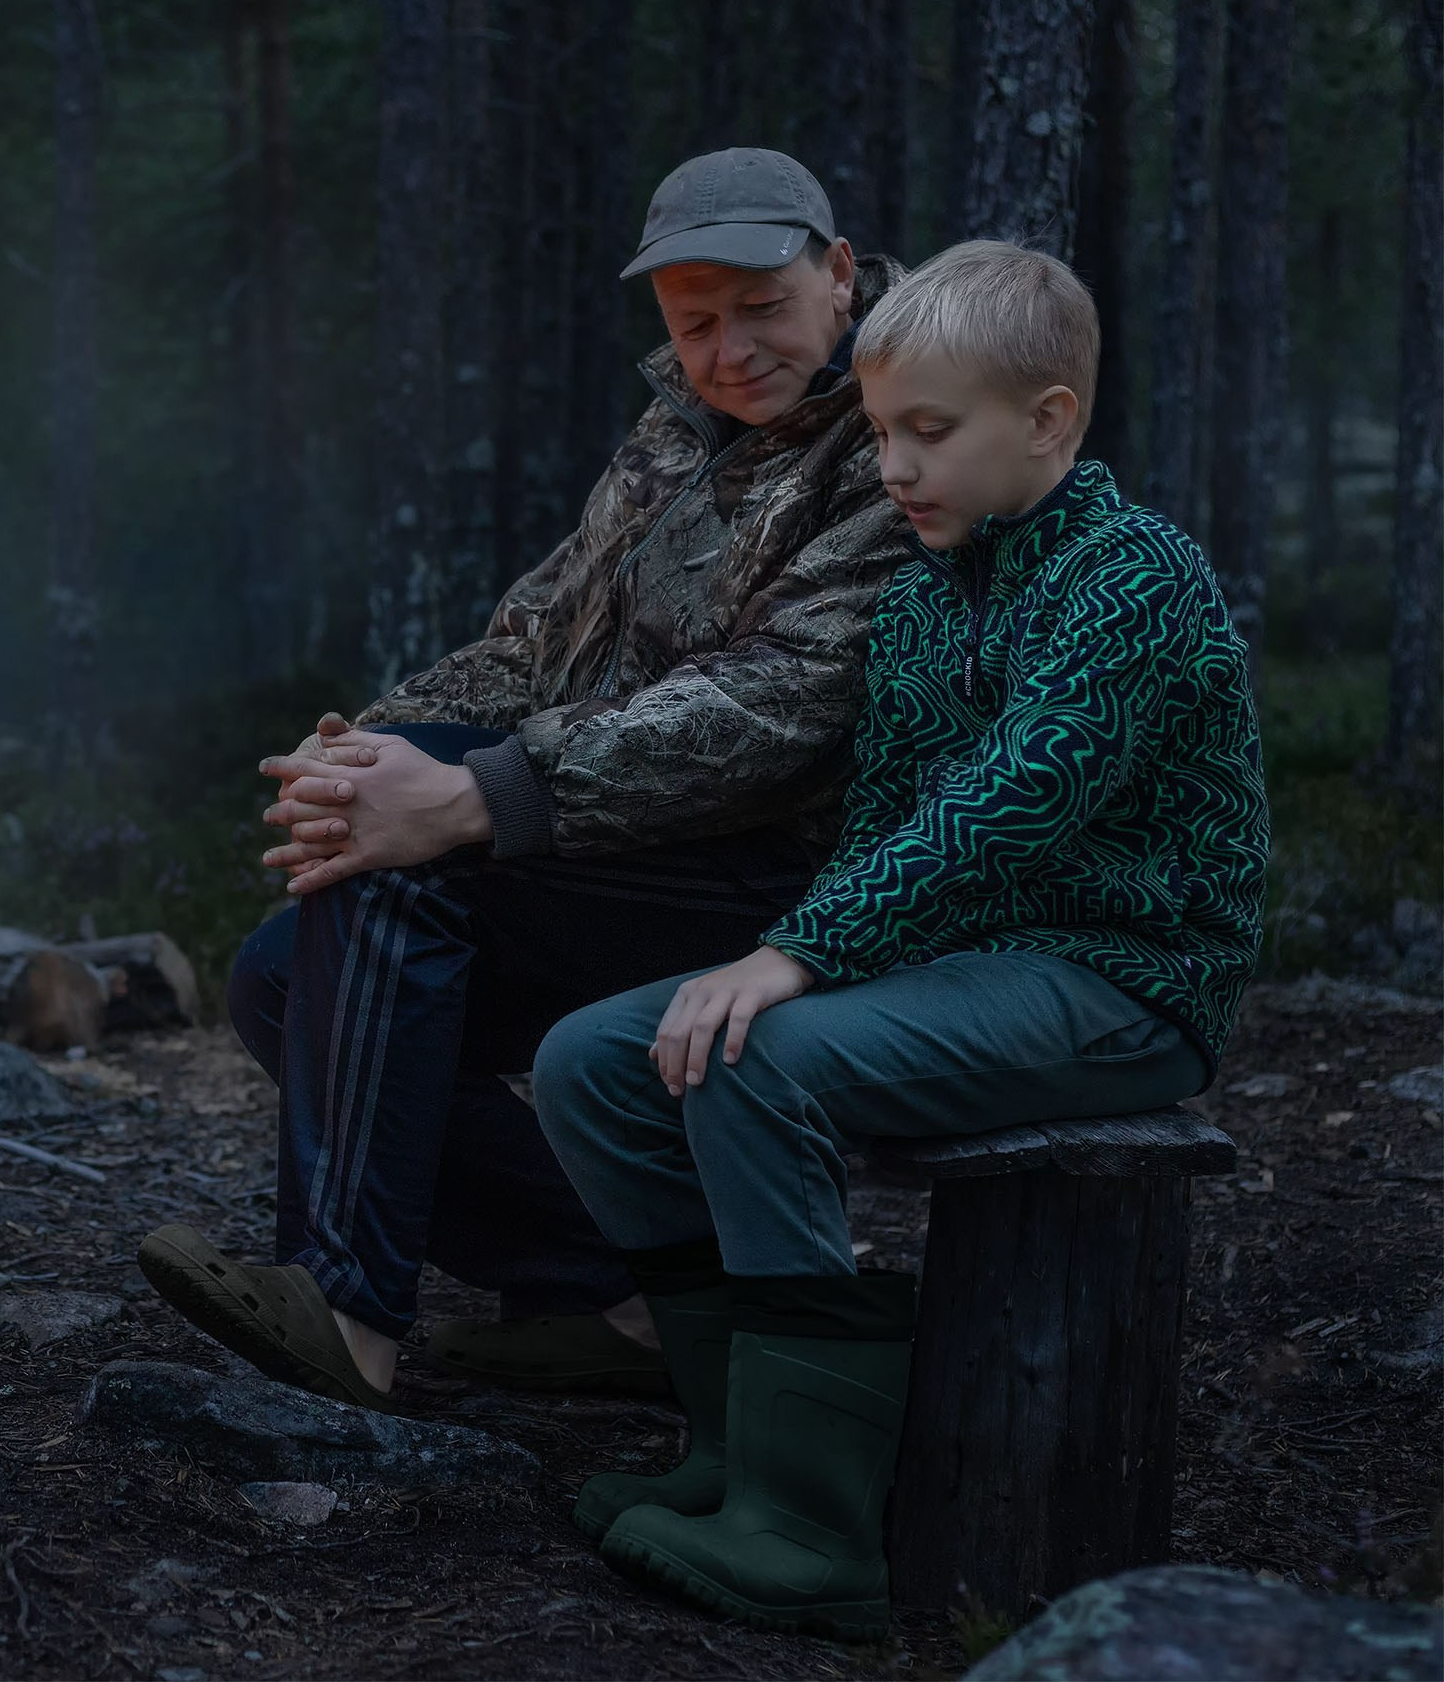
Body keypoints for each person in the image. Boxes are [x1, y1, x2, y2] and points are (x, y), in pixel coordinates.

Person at [528, 240, 1271, 1639]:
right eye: (878, 434)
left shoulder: (1137, 577)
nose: (894, 468)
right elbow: (887, 816)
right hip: (964, 967)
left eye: (928, 431)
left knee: (756, 1056)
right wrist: (797, 952)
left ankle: (814, 1532)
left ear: (1048, 419)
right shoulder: (929, 594)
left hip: (1124, 976)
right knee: (594, 1061)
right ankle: (734, 1448)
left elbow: (1015, 802)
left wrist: (795, 957)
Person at [136, 148, 920, 1411]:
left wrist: (471, 797)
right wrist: (370, 748)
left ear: (836, 274)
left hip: (809, 883)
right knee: (280, 977)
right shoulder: (681, 429)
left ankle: (345, 1311)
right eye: (695, 323)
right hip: (644, 837)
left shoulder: (903, 419)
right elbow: (534, 644)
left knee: (415, 859)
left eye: (762, 308)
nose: (729, 351)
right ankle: (631, 1293)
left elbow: (788, 705)